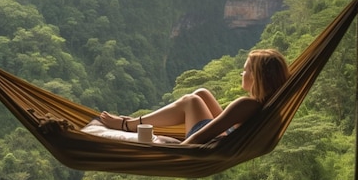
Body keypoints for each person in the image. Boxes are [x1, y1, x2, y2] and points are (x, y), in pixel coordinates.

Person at [99, 49, 290, 144]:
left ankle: (128, 124)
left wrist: (177, 150)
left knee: (192, 100)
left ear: (257, 77)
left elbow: (204, 135)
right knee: (202, 93)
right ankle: (133, 122)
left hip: (211, 144)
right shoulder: (266, 103)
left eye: (245, 70)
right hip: (228, 138)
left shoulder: (246, 105)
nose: (241, 74)